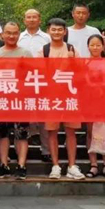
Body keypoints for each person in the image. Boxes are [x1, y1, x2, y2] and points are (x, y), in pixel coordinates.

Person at [37, 18, 85, 180]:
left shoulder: (72, 49)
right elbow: (39, 73)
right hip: (51, 97)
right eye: (53, 29)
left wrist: (72, 61)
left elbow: (81, 71)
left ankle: (72, 166)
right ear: (48, 31)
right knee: (52, 132)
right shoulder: (43, 51)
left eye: (59, 30)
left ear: (65, 31)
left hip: (70, 96)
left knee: (71, 132)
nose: (56, 32)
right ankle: (55, 165)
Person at [0, 22, 32, 180]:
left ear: (19, 34)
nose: (11, 36)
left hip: (21, 99)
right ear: (2, 35)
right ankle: (4, 164)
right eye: (8, 33)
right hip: (2, 99)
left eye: (15, 33)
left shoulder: (26, 53)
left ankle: (21, 165)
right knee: (3, 133)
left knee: (21, 134)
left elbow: (32, 77)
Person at [18, 9, 52, 164]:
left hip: (43, 80)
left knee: (44, 117)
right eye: (28, 17)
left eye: (34, 17)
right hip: (22, 81)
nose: (31, 20)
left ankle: (46, 150)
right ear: (24, 20)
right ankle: (21, 152)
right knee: (24, 117)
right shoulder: (19, 37)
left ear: (40, 19)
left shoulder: (47, 38)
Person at [84, 34, 105, 179]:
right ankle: (94, 164)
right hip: (89, 101)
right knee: (91, 132)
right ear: (88, 46)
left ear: (103, 46)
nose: (95, 48)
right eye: (92, 45)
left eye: (98, 45)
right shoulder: (84, 62)